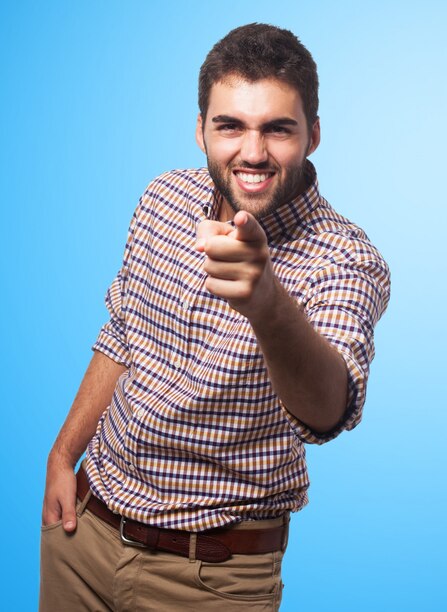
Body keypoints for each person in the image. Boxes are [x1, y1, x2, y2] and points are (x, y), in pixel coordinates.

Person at [40, 23, 390, 611]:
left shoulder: (347, 259)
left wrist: (267, 303)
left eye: (278, 129)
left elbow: (329, 413)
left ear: (314, 135)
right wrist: (61, 453)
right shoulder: (162, 199)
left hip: (213, 580)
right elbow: (123, 332)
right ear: (200, 128)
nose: (253, 152)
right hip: (85, 536)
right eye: (231, 125)